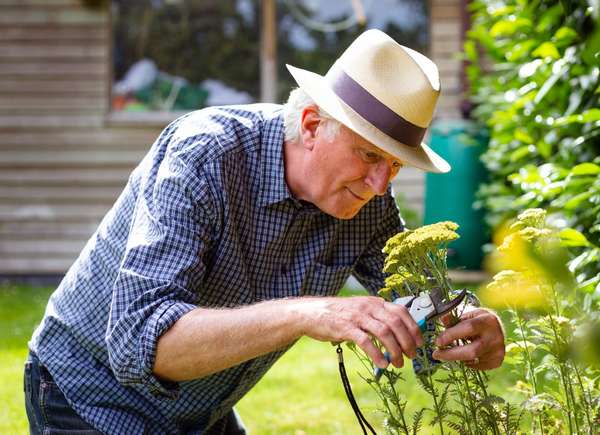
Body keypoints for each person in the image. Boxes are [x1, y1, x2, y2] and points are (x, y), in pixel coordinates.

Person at [24, 29, 505, 434]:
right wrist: (307, 313)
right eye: (370, 155)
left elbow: (423, 313)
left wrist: (468, 326)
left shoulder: (366, 201)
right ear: (313, 126)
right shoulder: (206, 156)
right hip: (87, 393)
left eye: (396, 164)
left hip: (200, 407)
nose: (382, 184)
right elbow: (140, 344)